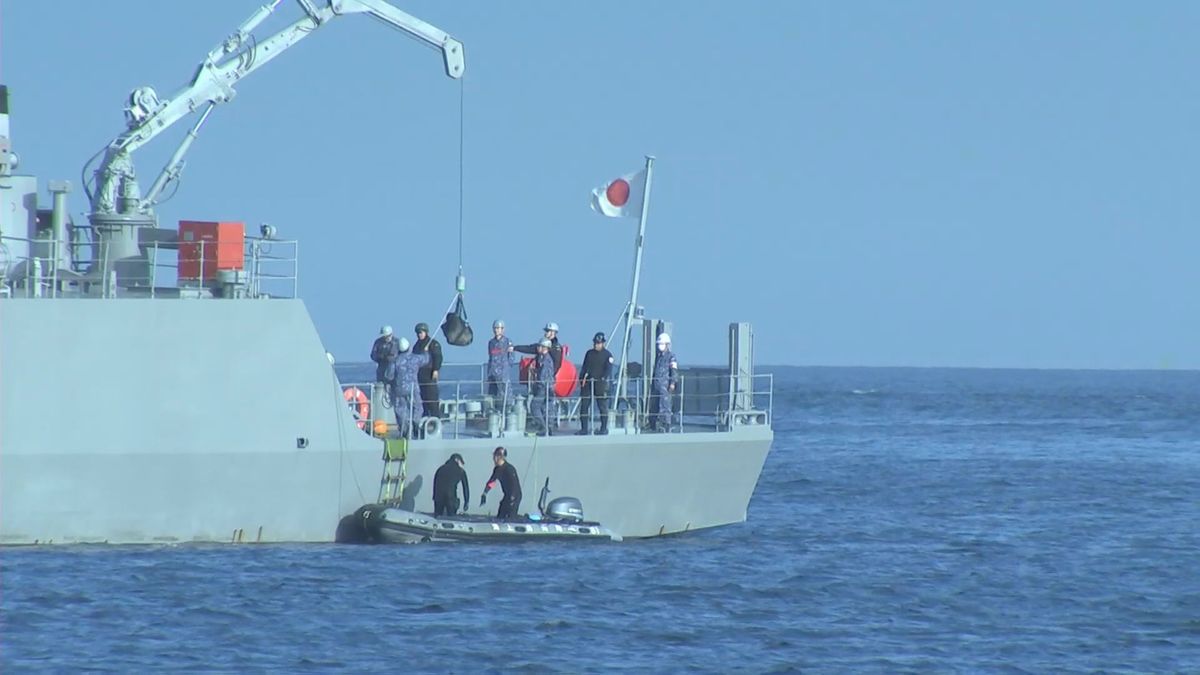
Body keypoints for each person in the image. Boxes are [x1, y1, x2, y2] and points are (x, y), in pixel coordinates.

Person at [387, 337, 430, 439]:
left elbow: (389, 376)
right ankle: (416, 422)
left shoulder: (395, 361)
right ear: (409, 347)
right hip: (413, 388)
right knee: (418, 407)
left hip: (399, 389)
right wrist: (426, 351)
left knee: (400, 410)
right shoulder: (415, 359)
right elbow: (426, 360)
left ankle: (404, 430)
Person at [577, 331, 614, 435]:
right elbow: (584, 367)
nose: (596, 345)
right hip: (588, 383)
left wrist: (603, 378)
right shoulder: (589, 353)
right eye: (595, 343)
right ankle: (584, 429)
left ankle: (603, 429)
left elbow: (608, 369)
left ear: (603, 343)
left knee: (602, 407)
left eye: (598, 343)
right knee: (584, 406)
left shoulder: (608, 355)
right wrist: (581, 379)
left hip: (600, 384)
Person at [479, 446, 521, 520]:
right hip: (507, 495)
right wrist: (485, 493)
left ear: (498, 457)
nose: (493, 459)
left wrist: (512, 498)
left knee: (510, 515)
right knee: (501, 514)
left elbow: (514, 484)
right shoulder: (497, 469)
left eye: (494, 456)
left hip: (515, 496)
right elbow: (493, 482)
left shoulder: (509, 468)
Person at [648, 332, 678, 432]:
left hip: (665, 386)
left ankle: (667, 425)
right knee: (654, 405)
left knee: (665, 405)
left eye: (662, 344)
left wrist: (673, 383)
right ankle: (653, 424)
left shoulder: (671, 357)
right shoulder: (659, 357)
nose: (660, 346)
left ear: (667, 344)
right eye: (659, 344)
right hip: (657, 386)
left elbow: (674, 371)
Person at [413, 322, 443, 421]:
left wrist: (436, 369)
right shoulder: (417, 345)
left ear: (426, 332)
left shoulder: (433, 343)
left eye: (421, 332)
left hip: (429, 374)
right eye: (418, 333)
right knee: (423, 399)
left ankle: (436, 419)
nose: (419, 334)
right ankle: (425, 419)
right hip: (420, 375)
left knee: (432, 398)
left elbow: (438, 356)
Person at [528, 338, 556, 436]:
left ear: (545, 348)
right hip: (543, 386)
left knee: (534, 406)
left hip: (544, 387)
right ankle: (547, 428)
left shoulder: (547, 360)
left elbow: (545, 376)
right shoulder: (541, 358)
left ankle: (543, 428)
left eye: (540, 346)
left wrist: (539, 384)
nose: (538, 348)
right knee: (544, 408)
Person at [486, 319, 514, 410]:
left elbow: (511, 357)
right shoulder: (491, 343)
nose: (496, 330)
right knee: (493, 395)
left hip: (503, 374)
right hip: (493, 374)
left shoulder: (507, 342)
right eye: (495, 328)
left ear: (503, 329)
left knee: (505, 395)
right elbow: (490, 357)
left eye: (498, 328)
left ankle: (506, 411)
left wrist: (506, 368)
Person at [432, 453, 469, 517]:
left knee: (437, 518)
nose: (462, 465)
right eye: (461, 462)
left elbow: (435, 484)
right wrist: (466, 502)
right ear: (457, 460)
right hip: (451, 498)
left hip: (438, 497)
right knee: (451, 519)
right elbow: (465, 488)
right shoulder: (461, 471)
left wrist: (435, 498)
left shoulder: (440, 469)